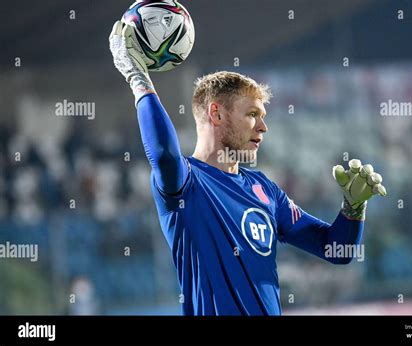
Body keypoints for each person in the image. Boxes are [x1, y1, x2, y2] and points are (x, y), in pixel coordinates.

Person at [109, 21, 387, 315]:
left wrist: (353, 208)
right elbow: (164, 153)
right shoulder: (186, 182)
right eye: (252, 114)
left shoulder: (265, 190)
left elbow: (335, 249)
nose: (263, 127)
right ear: (216, 113)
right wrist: (137, 78)